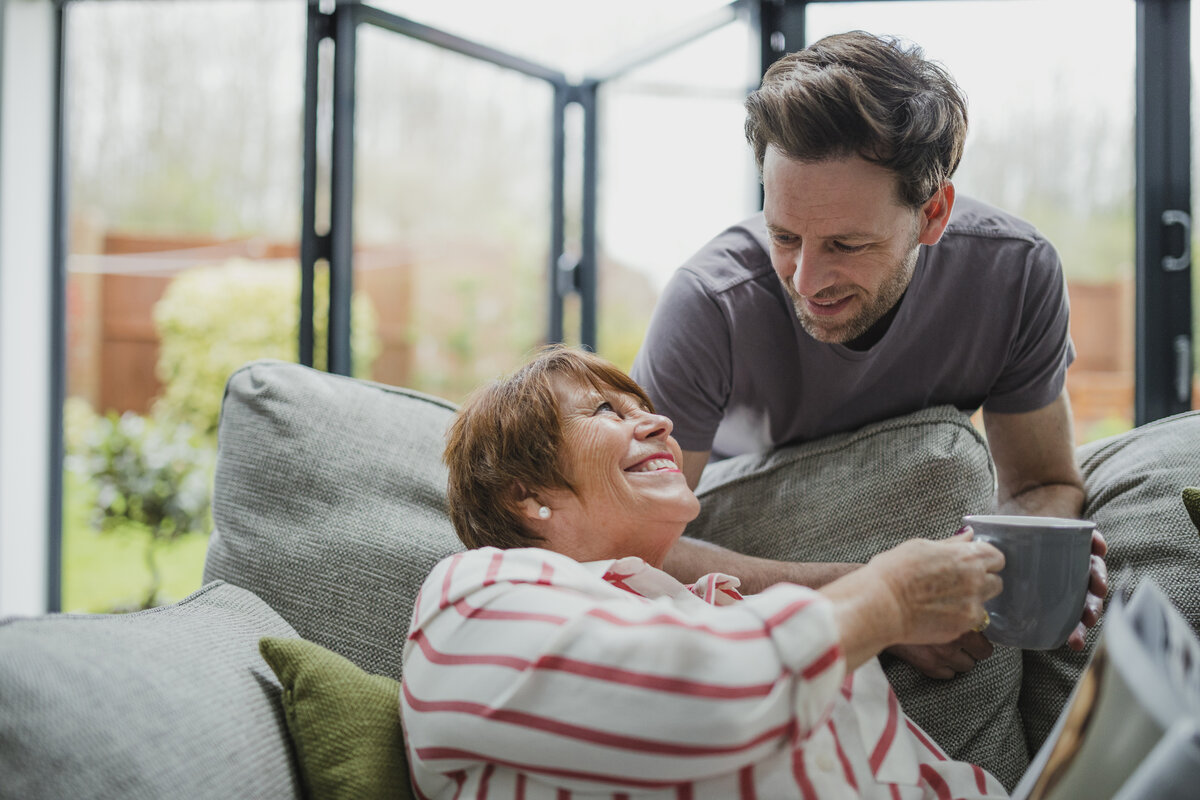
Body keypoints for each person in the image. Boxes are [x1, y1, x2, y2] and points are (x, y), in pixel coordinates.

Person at [629, 31, 1107, 678]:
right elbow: (628, 545)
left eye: (848, 245)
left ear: (933, 214)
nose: (805, 281)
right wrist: (884, 600)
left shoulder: (1016, 275)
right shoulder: (709, 304)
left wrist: (1024, 559)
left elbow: (1045, 483)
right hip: (745, 568)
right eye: (785, 236)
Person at [402, 346, 1010, 799]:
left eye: (645, 406)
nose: (660, 423)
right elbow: (699, 703)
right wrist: (889, 597)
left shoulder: (728, 612)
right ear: (525, 494)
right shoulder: (471, 596)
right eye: (606, 411)